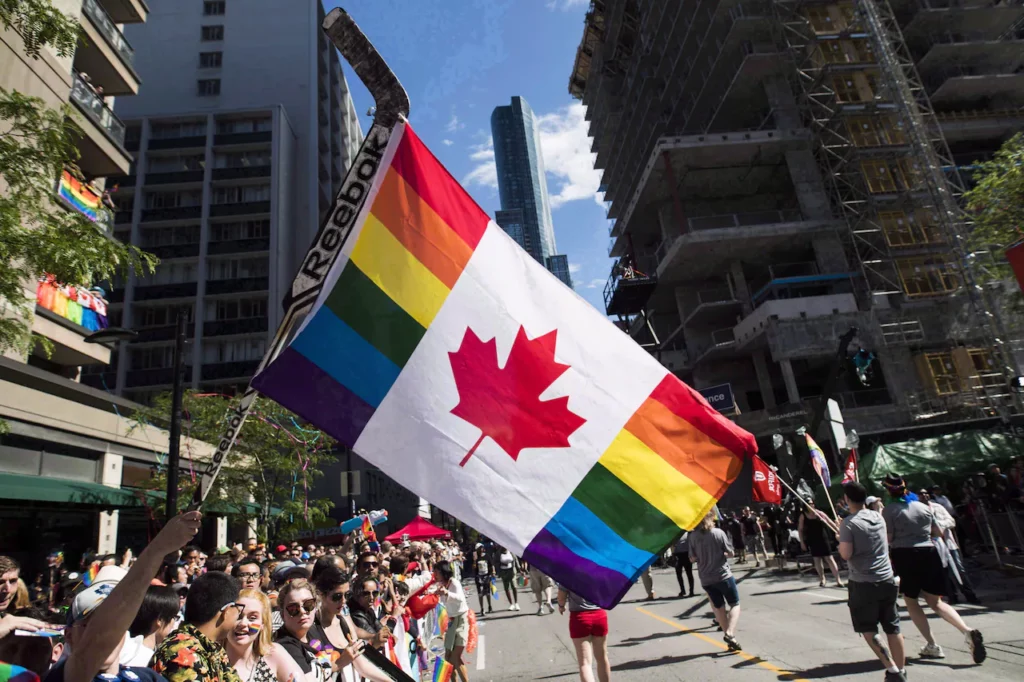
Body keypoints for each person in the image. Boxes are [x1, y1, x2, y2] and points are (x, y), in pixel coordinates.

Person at [43, 512, 203, 682]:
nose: (106, 630)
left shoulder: (146, 677)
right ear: (68, 636)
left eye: (116, 622)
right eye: (90, 625)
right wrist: (158, 549)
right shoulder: (61, 676)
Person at [881, 474, 985, 664]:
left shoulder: (889, 511)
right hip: (929, 552)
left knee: (911, 601)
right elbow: (937, 532)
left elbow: (888, 538)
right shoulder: (923, 507)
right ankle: (967, 630)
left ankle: (932, 644)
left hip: (905, 554)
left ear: (888, 490)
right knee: (935, 601)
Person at [838, 482, 907, 682]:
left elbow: (846, 553)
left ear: (847, 499)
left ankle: (892, 669)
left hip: (863, 582)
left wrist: (840, 539)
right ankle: (901, 670)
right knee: (893, 627)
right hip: (887, 577)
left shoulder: (848, 523)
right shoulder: (878, 516)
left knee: (868, 629)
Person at [151, 572, 245, 682]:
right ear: (227, 611)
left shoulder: (213, 649)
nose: (240, 615)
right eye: (238, 609)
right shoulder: (184, 653)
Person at [310, 568, 390, 682]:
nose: (343, 601)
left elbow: (362, 666)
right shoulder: (310, 628)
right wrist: (339, 663)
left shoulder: (344, 622)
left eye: (347, 595)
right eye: (337, 596)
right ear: (321, 595)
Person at [688, 510, 742, 651]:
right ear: (710, 518)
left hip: (706, 578)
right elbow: (731, 553)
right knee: (735, 604)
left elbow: (692, 558)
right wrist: (721, 553)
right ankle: (730, 632)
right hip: (723, 575)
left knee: (719, 608)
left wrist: (702, 556)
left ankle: (730, 638)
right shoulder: (718, 533)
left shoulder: (692, 536)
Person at [226, 588, 304, 682]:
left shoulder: (273, 654)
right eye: (238, 616)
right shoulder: (211, 661)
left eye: (252, 618)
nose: (243, 623)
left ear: (262, 624)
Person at [918, 489, 979, 605]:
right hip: (933, 545)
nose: (924, 495)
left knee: (959, 569)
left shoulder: (938, 507)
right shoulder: (917, 511)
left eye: (925, 493)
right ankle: (952, 596)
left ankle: (970, 594)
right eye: (921, 494)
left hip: (948, 544)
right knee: (943, 571)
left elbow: (951, 521)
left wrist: (939, 525)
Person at [557, 588, 609, 682]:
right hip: (599, 615)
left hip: (579, 618)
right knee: (602, 658)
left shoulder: (567, 575)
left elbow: (561, 596)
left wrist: (561, 606)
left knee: (585, 663)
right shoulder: (598, 574)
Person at [123, 586, 181, 667]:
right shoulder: (148, 660)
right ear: (160, 620)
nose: (176, 623)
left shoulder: (123, 649)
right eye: (174, 617)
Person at [434, 561, 469, 682]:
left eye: (437, 572)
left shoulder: (454, 582)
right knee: (448, 657)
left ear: (444, 572)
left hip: (462, 619)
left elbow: (460, 598)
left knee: (456, 656)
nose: (435, 574)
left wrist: (447, 593)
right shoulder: (439, 584)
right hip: (451, 621)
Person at [798, 500, 844, 587]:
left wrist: (838, 530)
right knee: (817, 560)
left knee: (829, 558)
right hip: (812, 539)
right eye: (809, 504)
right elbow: (800, 529)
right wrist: (802, 542)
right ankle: (822, 579)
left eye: (812, 503)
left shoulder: (819, 513)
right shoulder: (803, 516)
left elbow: (830, 522)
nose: (812, 505)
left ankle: (838, 580)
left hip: (823, 538)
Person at [472, 545, 493, 616]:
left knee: (487, 593)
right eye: (479, 548)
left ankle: (489, 606)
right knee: (480, 593)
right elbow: (474, 568)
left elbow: (491, 565)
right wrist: (475, 560)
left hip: (486, 576)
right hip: (479, 577)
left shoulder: (487, 556)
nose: (481, 549)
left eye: (482, 548)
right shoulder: (476, 558)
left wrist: (492, 572)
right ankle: (482, 608)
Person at [673, 532, 695, 597]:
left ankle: (691, 591)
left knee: (689, 573)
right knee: (679, 573)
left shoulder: (688, 533)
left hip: (686, 554)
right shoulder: (675, 534)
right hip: (678, 555)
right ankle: (683, 590)